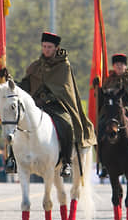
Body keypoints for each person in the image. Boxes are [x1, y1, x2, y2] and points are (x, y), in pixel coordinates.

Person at [19, 32, 96, 178]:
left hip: (57, 106)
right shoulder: (36, 66)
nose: (46, 49)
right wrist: (11, 81)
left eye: (49, 47)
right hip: (36, 106)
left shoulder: (63, 66)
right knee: (17, 122)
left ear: (56, 48)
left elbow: (64, 90)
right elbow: (26, 84)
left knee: (67, 125)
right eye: (44, 46)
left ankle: (66, 162)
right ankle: (13, 159)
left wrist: (47, 98)